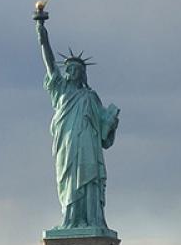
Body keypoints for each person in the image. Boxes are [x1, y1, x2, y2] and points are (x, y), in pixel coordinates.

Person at [36, 20, 120, 231]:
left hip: (88, 147)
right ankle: (70, 220)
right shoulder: (61, 90)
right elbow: (50, 62)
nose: (72, 72)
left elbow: (104, 130)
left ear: (83, 74)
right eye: (69, 68)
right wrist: (42, 34)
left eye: (76, 69)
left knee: (88, 179)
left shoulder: (90, 97)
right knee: (68, 181)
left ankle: (91, 220)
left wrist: (111, 120)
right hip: (67, 144)